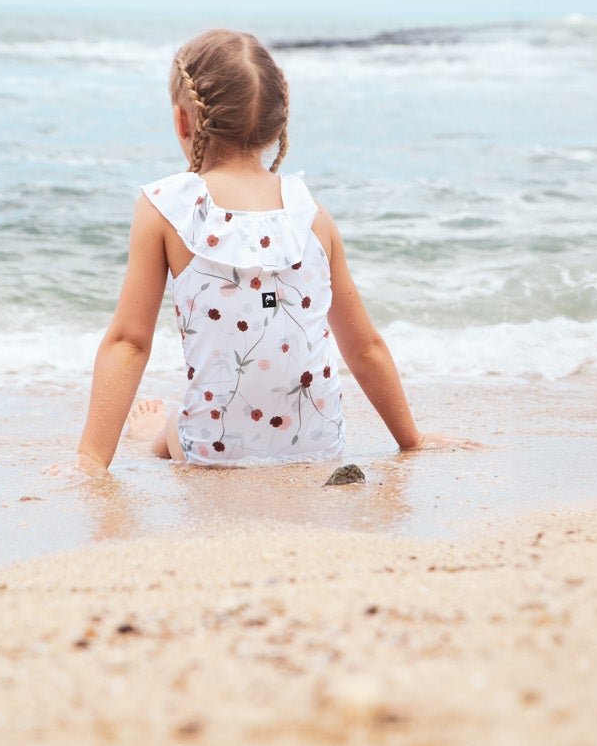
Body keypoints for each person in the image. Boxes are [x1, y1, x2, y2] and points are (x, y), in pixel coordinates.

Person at [75, 28, 459, 474]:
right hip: (318, 445)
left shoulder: (167, 208)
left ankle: (156, 432)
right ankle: (170, 428)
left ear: (183, 121)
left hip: (214, 451)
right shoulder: (312, 215)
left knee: (179, 422)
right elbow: (364, 347)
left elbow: (129, 341)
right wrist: (410, 440)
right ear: (277, 125)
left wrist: (90, 460)